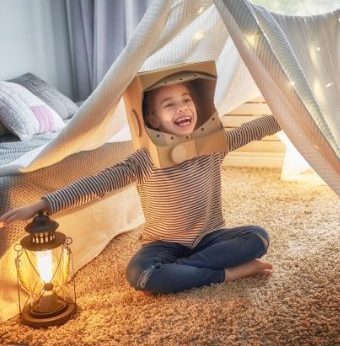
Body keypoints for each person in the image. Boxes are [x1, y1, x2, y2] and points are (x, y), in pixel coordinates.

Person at [0, 80, 280, 294]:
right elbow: (95, 184)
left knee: (259, 237)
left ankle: (185, 271)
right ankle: (228, 273)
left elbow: (256, 128)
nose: (182, 107)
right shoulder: (144, 160)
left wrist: (288, 115)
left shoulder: (213, 145)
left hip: (209, 237)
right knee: (141, 275)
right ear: (154, 120)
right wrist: (42, 204)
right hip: (163, 245)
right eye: (169, 104)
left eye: (186, 100)